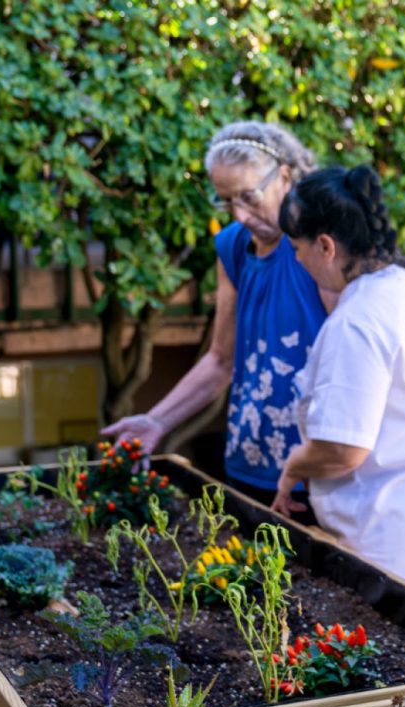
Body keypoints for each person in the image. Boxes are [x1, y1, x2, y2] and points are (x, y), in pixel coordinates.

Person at [270, 165, 405, 611]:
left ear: (326, 246)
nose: (296, 260)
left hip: (398, 544)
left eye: (297, 248)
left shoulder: (357, 321)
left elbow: (344, 449)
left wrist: (294, 465)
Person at [103, 122, 333, 510]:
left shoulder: (316, 245)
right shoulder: (232, 247)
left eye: (249, 197)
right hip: (247, 464)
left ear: (284, 177)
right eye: (226, 202)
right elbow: (221, 360)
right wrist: (157, 421)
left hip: (311, 474)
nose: (240, 214)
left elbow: (343, 358)